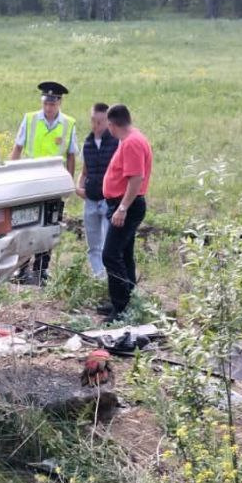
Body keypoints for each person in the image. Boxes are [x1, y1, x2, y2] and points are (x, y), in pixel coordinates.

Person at [10, 81, 78, 284]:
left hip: (53, 184)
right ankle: (22, 269)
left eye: (53, 104)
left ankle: (41, 270)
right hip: (29, 182)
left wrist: (69, 181)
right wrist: (10, 176)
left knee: (50, 224)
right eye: (46, 103)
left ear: (59, 103)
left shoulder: (68, 124)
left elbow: (72, 155)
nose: (49, 108)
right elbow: (17, 148)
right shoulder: (30, 119)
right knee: (25, 224)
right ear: (42, 102)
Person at [99, 103, 152, 322]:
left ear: (112, 125)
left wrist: (122, 208)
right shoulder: (131, 139)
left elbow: (136, 178)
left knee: (110, 255)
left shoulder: (131, 143)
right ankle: (124, 301)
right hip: (122, 204)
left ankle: (120, 308)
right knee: (124, 254)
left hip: (126, 205)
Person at [77, 102, 117, 280]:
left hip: (109, 200)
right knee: (93, 245)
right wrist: (79, 186)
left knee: (109, 244)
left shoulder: (116, 142)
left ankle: (111, 277)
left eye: (100, 121)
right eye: (93, 121)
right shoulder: (87, 143)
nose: (96, 125)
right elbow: (84, 171)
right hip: (91, 198)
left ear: (108, 122)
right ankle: (99, 278)